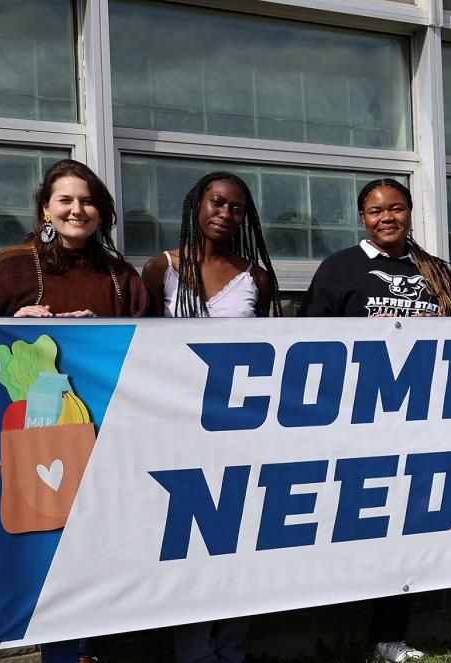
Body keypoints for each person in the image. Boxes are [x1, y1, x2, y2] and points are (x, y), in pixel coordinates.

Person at [0, 159, 151, 662]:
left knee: (100, 550)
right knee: (47, 548)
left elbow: (148, 349)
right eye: (66, 200)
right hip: (36, 440)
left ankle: (91, 651)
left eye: (87, 200)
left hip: (104, 439)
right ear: (46, 209)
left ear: (101, 211)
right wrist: (7, 325)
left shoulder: (121, 277)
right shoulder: (13, 266)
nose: (77, 209)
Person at [300, 178, 451, 662]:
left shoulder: (433, 271)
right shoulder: (340, 268)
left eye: (396, 208)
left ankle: (389, 634)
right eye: (376, 211)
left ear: (411, 212)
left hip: (424, 421)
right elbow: (308, 339)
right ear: (363, 218)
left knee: (407, 525)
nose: (387, 217)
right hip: (357, 422)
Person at [141, 171, 282, 662]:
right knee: (190, 545)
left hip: (239, 433)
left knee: (237, 543)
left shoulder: (256, 277)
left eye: (237, 208)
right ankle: (195, 654)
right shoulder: (161, 269)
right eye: (217, 203)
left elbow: (268, 352)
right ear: (195, 206)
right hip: (178, 433)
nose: (226, 214)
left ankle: (233, 650)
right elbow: (141, 351)